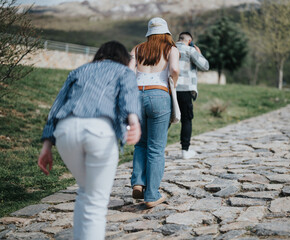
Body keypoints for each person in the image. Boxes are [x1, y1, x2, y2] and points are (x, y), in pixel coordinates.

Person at [37, 41, 141, 240]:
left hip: (66, 131)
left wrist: (46, 146)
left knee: (85, 192)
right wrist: (134, 120)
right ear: (123, 58)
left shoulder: (80, 70)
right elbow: (129, 95)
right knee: (96, 201)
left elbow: (56, 107)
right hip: (99, 131)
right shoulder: (123, 71)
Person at [128, 17, 179, 208]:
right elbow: (173, 69)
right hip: (159, 95)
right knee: (156, 147)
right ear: (166, 33)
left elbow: (127, 71)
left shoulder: (138, 49)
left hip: (136, 95)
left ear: (148, 33)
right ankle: (151, 195)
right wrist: (173, 82)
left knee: (140, 143)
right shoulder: (171, 49)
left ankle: (138, 183)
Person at [176, 32, 209, 159]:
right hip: (185, 89)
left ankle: (157, 148)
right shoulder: (190, 50)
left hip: (169, 89)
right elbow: (205, 66)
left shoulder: (168, 49)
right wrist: (199, 53)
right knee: (186, 119)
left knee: (165, 120)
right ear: (189, 41)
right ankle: (185, 150)